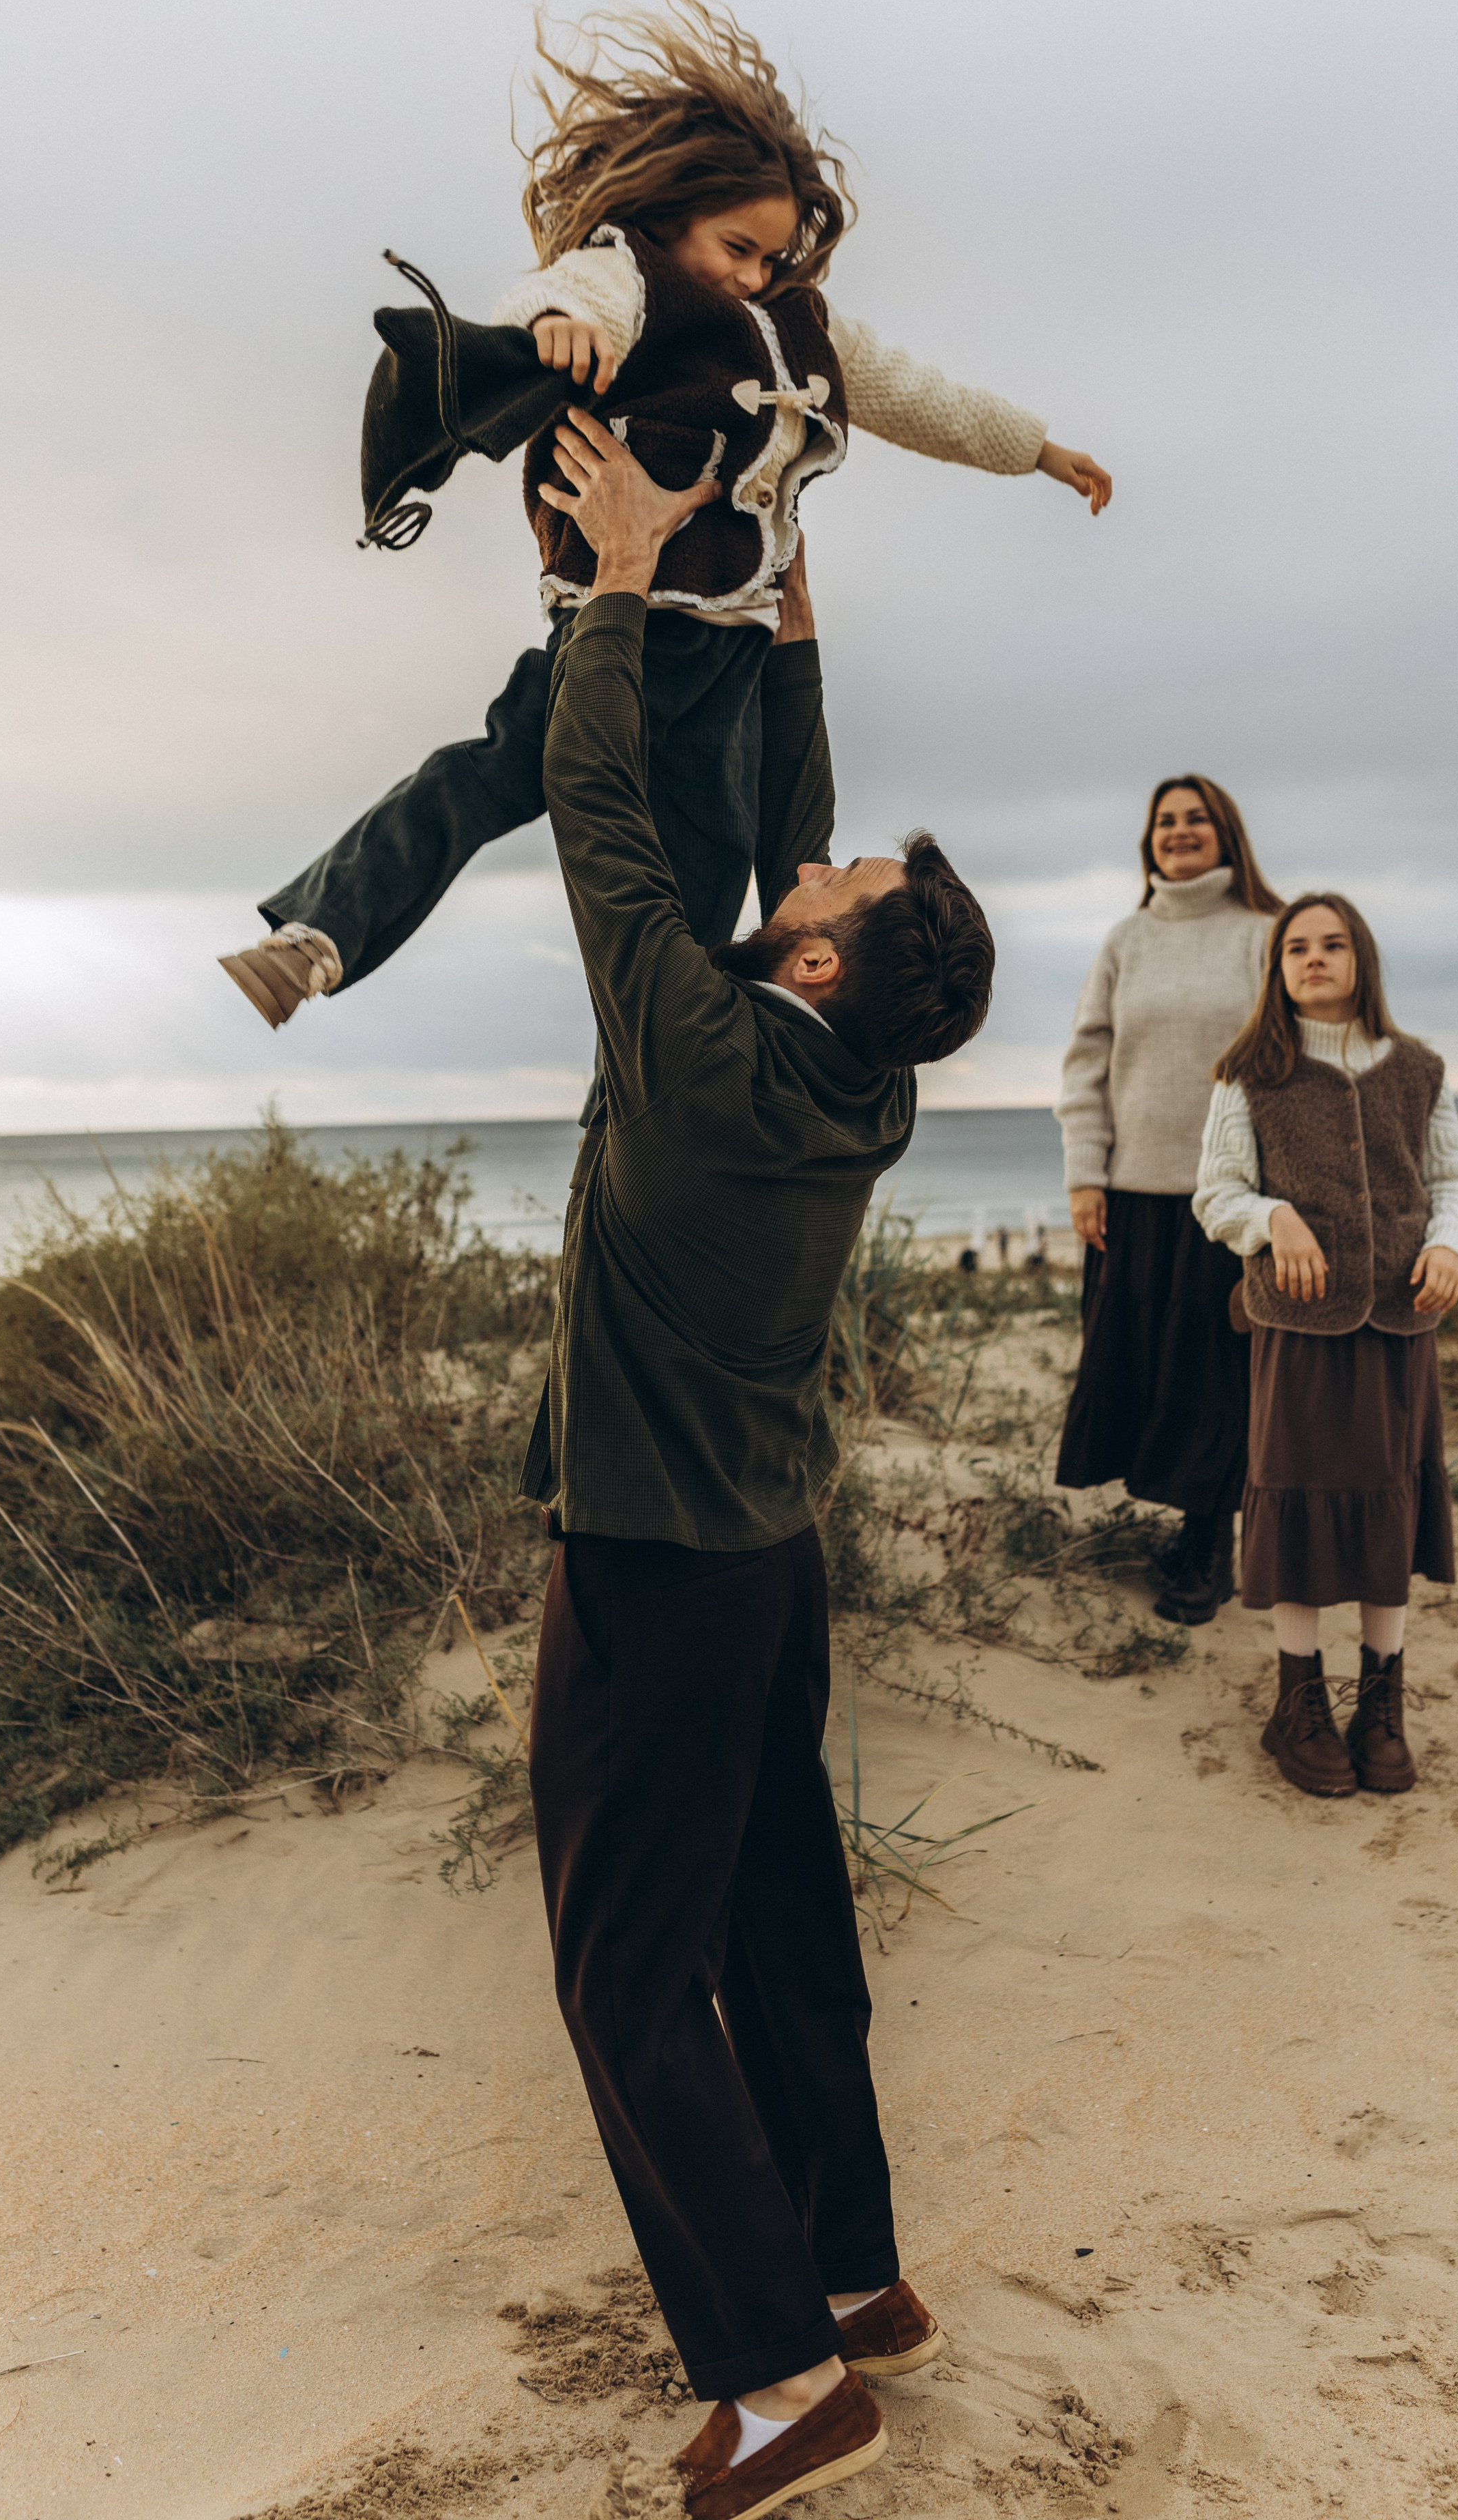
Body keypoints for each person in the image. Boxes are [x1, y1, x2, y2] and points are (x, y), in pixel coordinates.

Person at [517, 410, 994, 2517]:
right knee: (779, 1910)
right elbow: (785, 832)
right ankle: (859, 2265)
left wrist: (623, 579)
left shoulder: (707, 1057)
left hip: (653, 1564)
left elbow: (600, 819)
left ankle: (785, 2380)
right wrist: (786, 591)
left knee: (628, 1967)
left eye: (836, 885)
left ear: (809, 961)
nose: (819, 857)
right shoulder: (856, 1074)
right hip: (765, 1555)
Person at [218, 0, 1109, 1039]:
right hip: (618, 634)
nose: (756, 274)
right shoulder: (627, 279)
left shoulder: (801, 325)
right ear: (672, 221)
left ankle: (683, 1082)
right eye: (737, 248)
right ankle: (312, 938)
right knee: (494, 774)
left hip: (729, 659)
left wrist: (1035, 450)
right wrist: (561, 328)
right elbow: (551, 300)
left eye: (772, 257)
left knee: (704, 893)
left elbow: (922, 398)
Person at [1193, 895, 1458, 1798]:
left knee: (1389, 1503)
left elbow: (1454, 1185)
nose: (1314, 959)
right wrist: (1273, 1218)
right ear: (1277, 969)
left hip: (1400, 1324)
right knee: (1303, 1503)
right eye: (1296, 948)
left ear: (1362, 959)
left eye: (1333, 944)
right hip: (1300, 1329)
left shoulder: (1420, 1070)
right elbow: (1217, 1194)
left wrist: (1448, 1245)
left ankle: (1381, 1704)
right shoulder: (1249, 1074)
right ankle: (1299, 1701)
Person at [1054, 777, 1281, 1623]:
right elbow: (1086, 1062)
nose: (1179, 832)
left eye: (1196, 819)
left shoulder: (1266, 936)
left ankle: (1206, 1544)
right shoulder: (1126, 940)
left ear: (1226, 834)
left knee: (1215, 1377)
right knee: (1140, 1365)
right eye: (1165, 822)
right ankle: (1180, 1521)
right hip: (1131, 1194)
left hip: (1232, 1201)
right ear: (1148, 842)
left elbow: (1295, 1065)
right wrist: (1086, 1172)